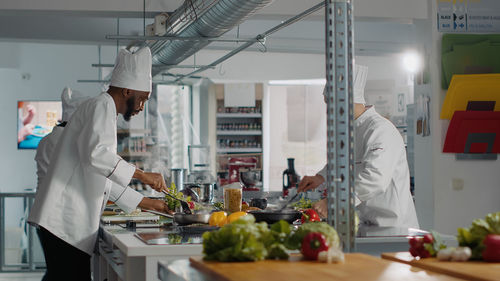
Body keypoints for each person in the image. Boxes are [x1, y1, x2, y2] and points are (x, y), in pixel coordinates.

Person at [28, 47, 170, 281]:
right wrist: (143, 175)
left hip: (65, 224)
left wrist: (149, 204)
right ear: (127, 90)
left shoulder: (102, 109)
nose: (142, 106)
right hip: (64, 222)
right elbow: (96, 155)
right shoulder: (102, 105)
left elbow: (99, 176)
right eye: (142, 98)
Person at [297, 65, 419, 229]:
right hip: (367, 222)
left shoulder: (380, 130)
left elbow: (375, 178)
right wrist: (321, 177)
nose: (329, 111)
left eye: (331, 103)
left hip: (393, 226)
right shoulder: (349, 130)